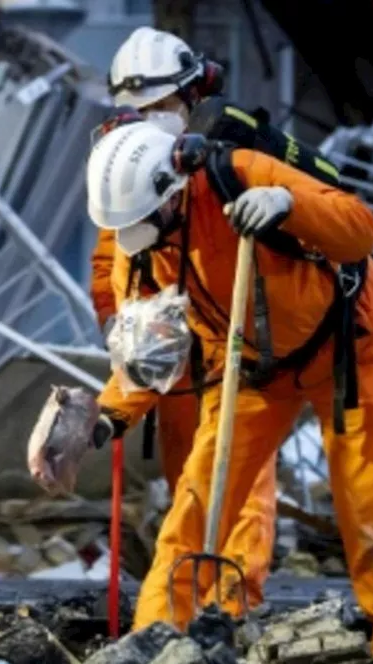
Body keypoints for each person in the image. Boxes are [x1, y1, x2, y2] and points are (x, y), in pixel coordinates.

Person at [75, 120, 373, 654]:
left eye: (147, 220)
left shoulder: (238, 174)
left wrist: (288, 204)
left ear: (172, 191)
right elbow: (152, 348)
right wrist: (107, 415)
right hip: (252, 364)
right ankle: (152, 645)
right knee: (197, 498)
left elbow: (360, 229)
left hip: (349, 346)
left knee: (369, 499)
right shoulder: (143, 243)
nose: (139, 234)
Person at [88, 26, 279, 614]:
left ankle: (234, 604)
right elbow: (110, 255)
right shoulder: (123, 162)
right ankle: (187, 602)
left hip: (237, 345)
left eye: (162, 106)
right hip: (168, 354)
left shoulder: (235, 156)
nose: (151, 119)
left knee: (244, 486)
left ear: (195, 93)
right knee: (188, 487)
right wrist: (118, 328)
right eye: (139, 108)